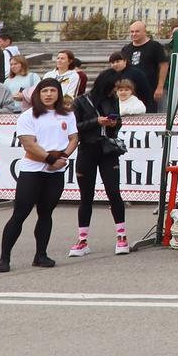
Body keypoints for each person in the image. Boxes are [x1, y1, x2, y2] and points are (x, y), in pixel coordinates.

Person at [0, 76, 75, 272]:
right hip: (32, 170)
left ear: (58, 94)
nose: (48, 95)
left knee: (46, 214)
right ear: (38, 94)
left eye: (52, 91)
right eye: (44, 91)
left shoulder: (67, 115)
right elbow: (29, 143)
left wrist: (63, 157)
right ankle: (4, 258)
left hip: (55, 171)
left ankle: (41, 254)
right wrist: (50, 160)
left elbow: (74, 138)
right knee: (20, 214)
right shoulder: (28, 116)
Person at [68, 61, 132, 259]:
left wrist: (113, 123)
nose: (115, 90)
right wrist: (96, 121)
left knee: (114, 192)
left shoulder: (111, 100)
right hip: (87, 149)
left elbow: (117, 124)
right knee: (86, 195)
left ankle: (121, 236)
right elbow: (75, 126)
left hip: (107, 149)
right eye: (113, 86)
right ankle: (82, 238)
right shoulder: (80, 101)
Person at [116, 22, 170, 113]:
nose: (134, 34)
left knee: (151, 115)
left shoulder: (155, 46)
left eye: (137, 31)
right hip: (131, 90)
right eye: (132, 32)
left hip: (151, 89)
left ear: (144, 32)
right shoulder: (126, 49)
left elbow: (164, 66)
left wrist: (160, 87)